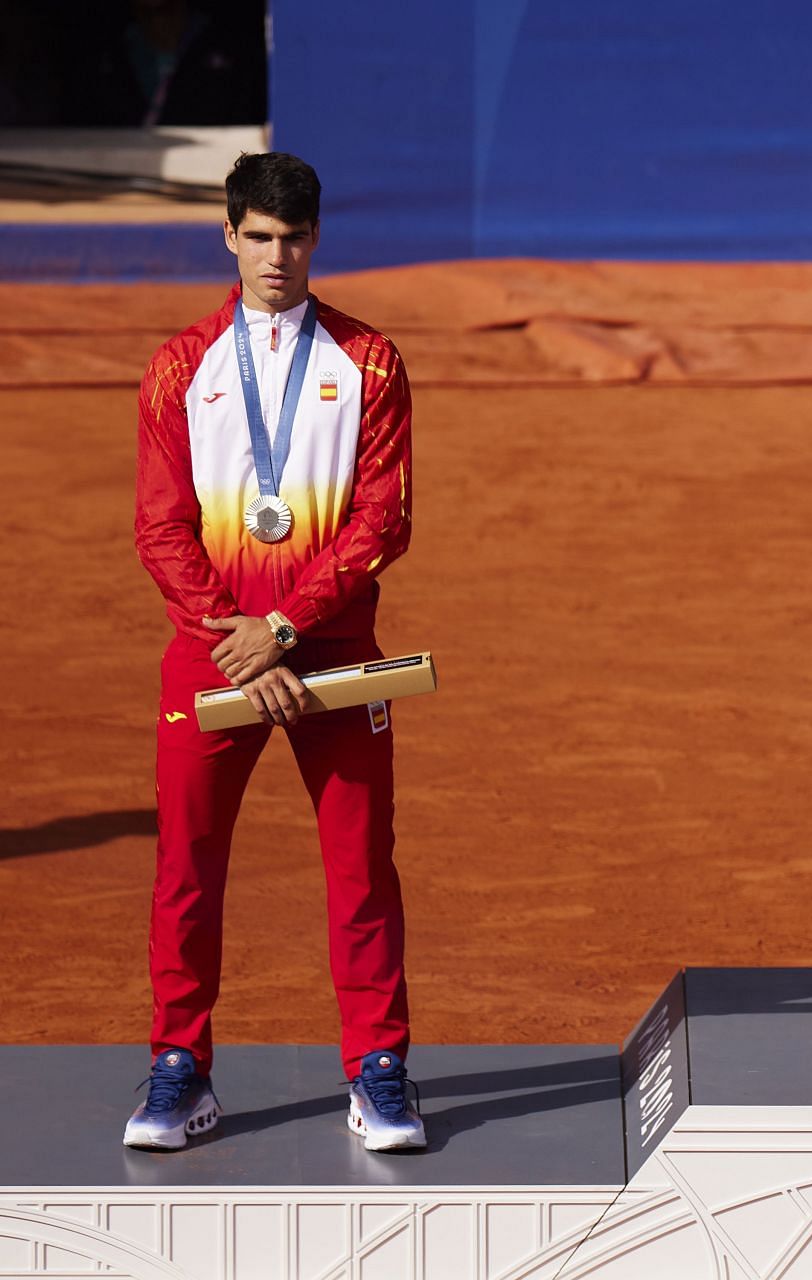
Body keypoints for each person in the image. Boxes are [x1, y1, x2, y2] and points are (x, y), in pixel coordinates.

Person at [125, 152, 425, 1152]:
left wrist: (284, 629)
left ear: (316, 240)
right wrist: (241, 644)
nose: (276, 255)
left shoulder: (370, 363)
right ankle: (180, 1066)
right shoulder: (180, 368)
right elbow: (162, 529)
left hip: (332, 653)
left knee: (359, 863)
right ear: (228, 236)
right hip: (211, 656)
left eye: (293, 237)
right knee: (187, 865)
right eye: (257, 236)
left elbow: (382, 518)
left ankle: (377, 1068)